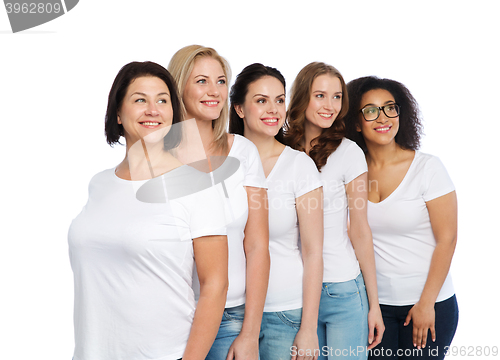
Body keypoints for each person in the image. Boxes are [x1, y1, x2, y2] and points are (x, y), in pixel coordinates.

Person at [68, 61, 229, 360]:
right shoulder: (99, 184)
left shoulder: (197, 185)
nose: (153, 110)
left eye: (162, 101)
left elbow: (215, 285)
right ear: (118, 112)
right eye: (140, 99)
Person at [344, 76, 458, 360]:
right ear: (356, 123)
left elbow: (448, 239)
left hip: (428, 305)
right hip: (374, 307)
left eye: (390, 108)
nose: (382, 117)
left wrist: (426, 303)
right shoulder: (350, 172)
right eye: (370, 110)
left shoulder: (428, 168)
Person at [168, 46, 270, 360]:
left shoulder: (244, 152)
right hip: (172, 319)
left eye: (221, 81)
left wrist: (250, 333)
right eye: (202, 81)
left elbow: (257, 245)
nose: (215, 91)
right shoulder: (156, 156)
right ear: (178, 87)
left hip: (232, 319)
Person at [285, 62, 384, 360]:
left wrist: (374, 304)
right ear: (302, 97)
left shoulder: (349, 153)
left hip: (341, 290)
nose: (330, 106)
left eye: (337, 96)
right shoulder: (281, 149)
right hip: (292, 292)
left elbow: (360, 229)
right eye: (320, 95)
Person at [229, 63, 324, 360]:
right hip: (228, 314)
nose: (273, 109)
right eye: (261, 100)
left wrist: (308, 327)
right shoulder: (222, 161)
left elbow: (313, 252)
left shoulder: (299, 166)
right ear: (239, 109)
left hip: (284, 314)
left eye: (279, 100)